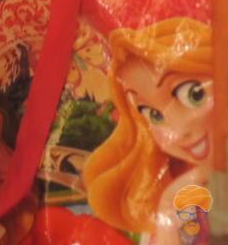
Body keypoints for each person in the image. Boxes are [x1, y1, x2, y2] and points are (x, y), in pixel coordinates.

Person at [84, 18, 213, 245]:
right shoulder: (180, 202)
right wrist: (169, 204)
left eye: (195, 94)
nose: (177, 131)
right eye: (154, 115)